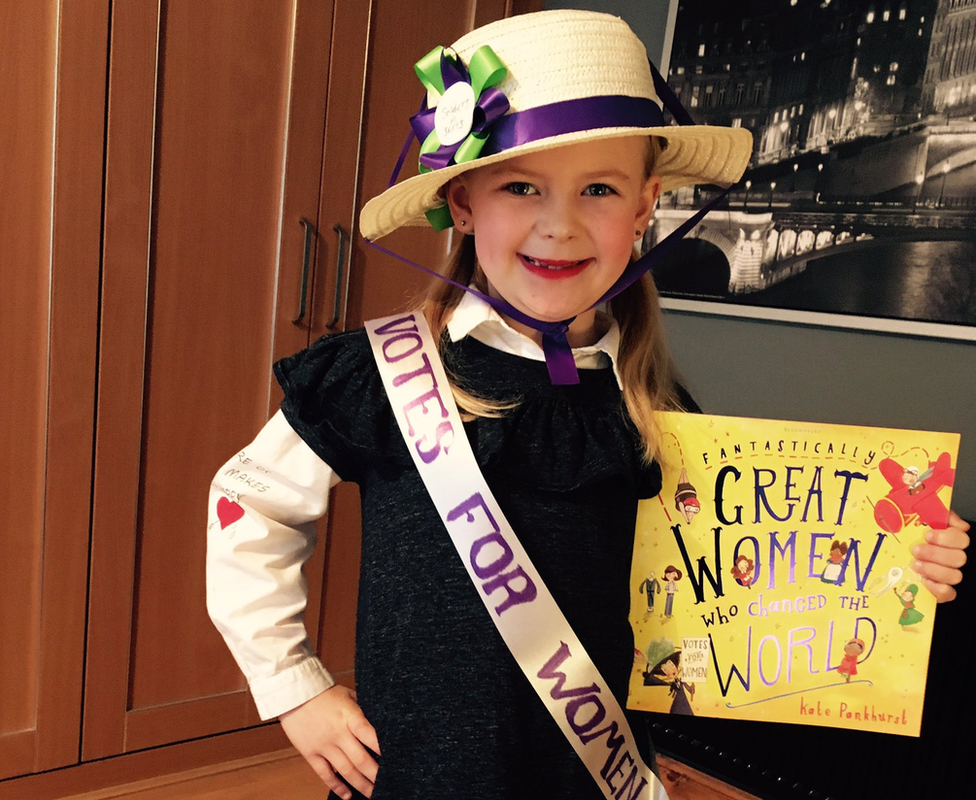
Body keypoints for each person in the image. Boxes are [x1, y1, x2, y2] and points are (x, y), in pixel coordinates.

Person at [205, 10, 971, 800]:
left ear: (645, 208)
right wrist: (294, 685)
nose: (560, 224)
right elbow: (246, 507)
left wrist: (892, 559)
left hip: (592, 772)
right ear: (463, 202)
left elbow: (739, 575)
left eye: (599, 189)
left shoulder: (652, 404)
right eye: (520, 186)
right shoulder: (379, 374)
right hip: (418, 774)